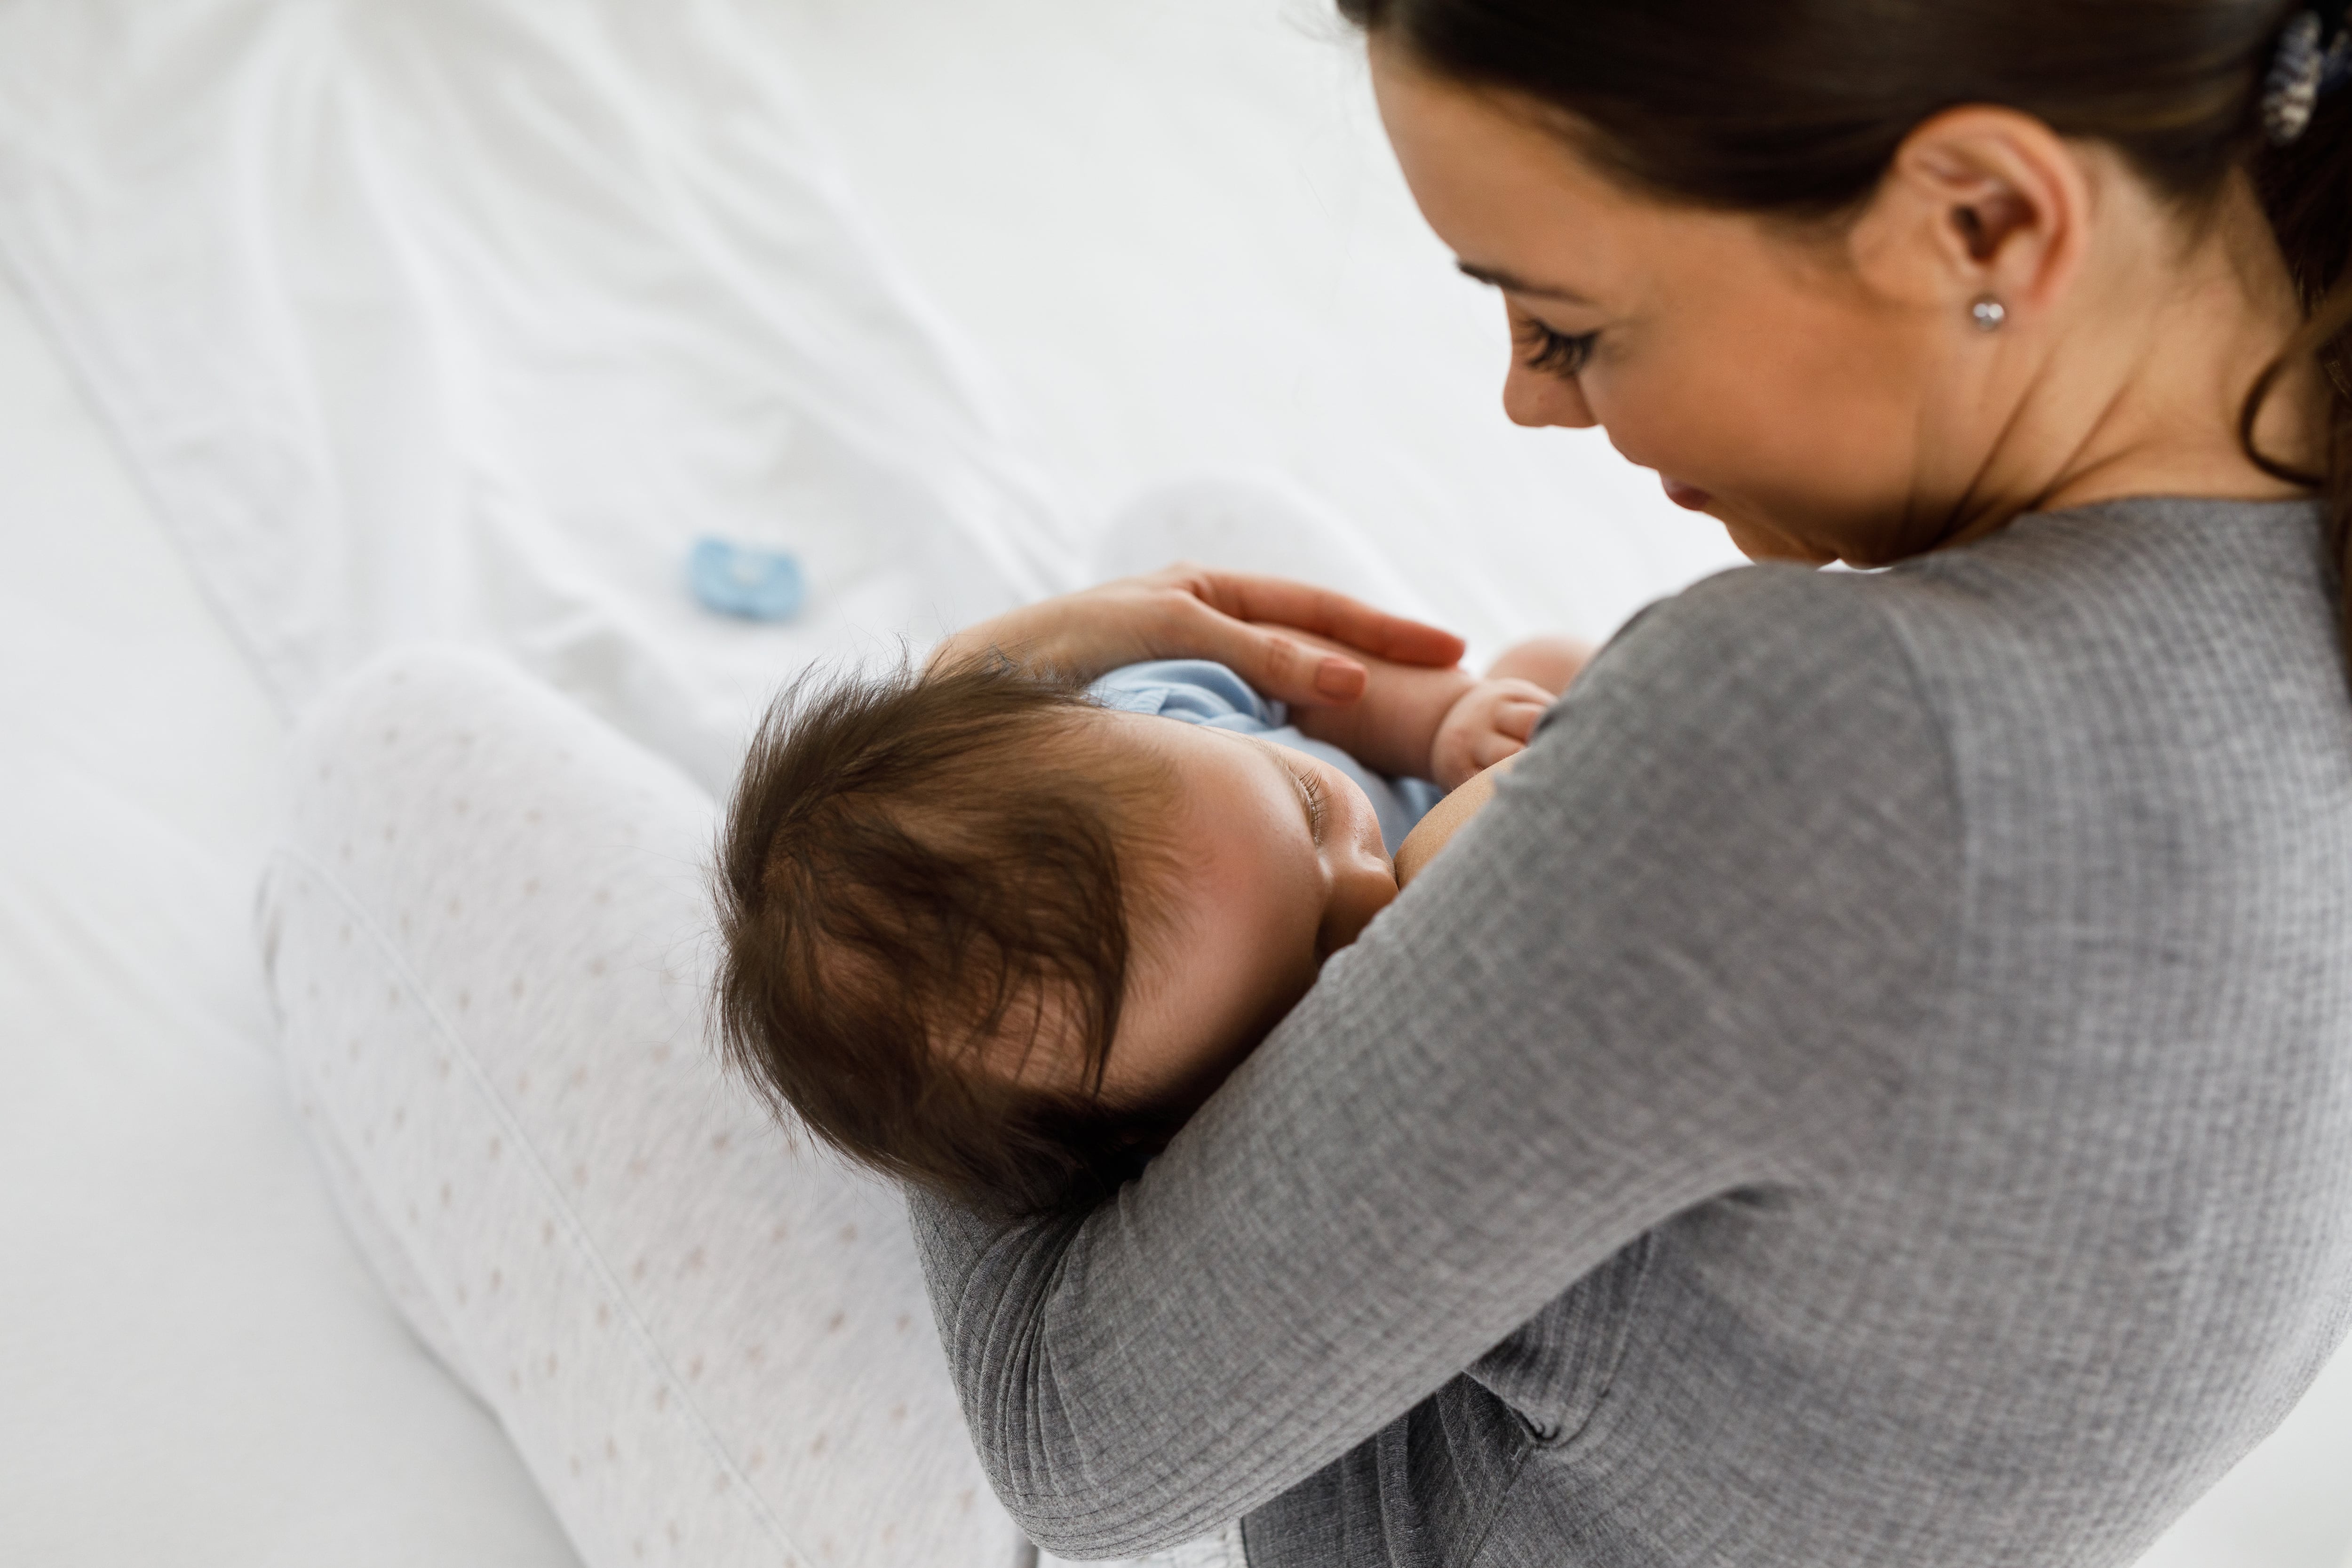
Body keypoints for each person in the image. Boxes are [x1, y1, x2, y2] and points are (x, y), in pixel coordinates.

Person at [901, 4, 2352, 1567]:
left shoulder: (1828, 736)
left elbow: (1072, 1443)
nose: (1530, 399)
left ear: (1982, 221)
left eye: (1572, 324)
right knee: (1211, 571)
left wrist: (958, 720)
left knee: (838, 895)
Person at [711, 624, 1585, 1215]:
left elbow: (1311, 698)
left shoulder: (1162, 718)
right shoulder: (1201, 1139)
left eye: (1311, 804)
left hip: (1444, 777)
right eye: (1319, 957)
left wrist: (1438, 723)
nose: (1369, 888)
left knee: (1548, 662)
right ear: (1167, 1124)